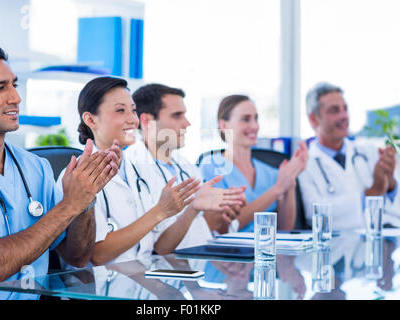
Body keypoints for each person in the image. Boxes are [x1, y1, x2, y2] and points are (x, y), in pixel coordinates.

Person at [0, 43, 120, 300]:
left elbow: (77, 256)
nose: (16, 98)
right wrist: (69, 205)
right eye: (0, 88)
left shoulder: (36, 167)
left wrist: (86, 197)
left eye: (14, 85)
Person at [57, 77, 244, 265]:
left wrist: (193, 207)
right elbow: (97, 255)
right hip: (101, 287)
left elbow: (158, 246)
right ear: (90, 119)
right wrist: (160, 211)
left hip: (143, 283)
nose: (132, 119)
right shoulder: (75, 178)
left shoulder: (138, 171)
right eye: (120, 110)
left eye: (133, 110)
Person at [125, 84, 247, 251]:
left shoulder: (187, 168)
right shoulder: (130, 169)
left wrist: (224, 216)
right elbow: (155, 247)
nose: (187, 123)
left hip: (192, 266)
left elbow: (209, 231)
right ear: (146, 121)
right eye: (177, 116)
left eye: (185, 115)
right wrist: (205, 220)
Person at [299, 82, 400, 229]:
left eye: (345, 109)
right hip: (340, 247)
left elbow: (399, 206)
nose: (344, 116)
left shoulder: (368, 151)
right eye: (334, 110)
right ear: (314, 119)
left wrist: (391, 183)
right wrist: (372, 193)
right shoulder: (305, 164)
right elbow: (315, 216)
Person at [199, 94, 308, 232]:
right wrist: (276, 190)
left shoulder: (270, 172)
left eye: (256, 118)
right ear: (224, 125)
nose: (254, 126)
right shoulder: (211, 167)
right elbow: (222, 228)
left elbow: (285, 228)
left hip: (266, 250)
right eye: (246, 119)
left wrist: (290, 179)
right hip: (231, 251)